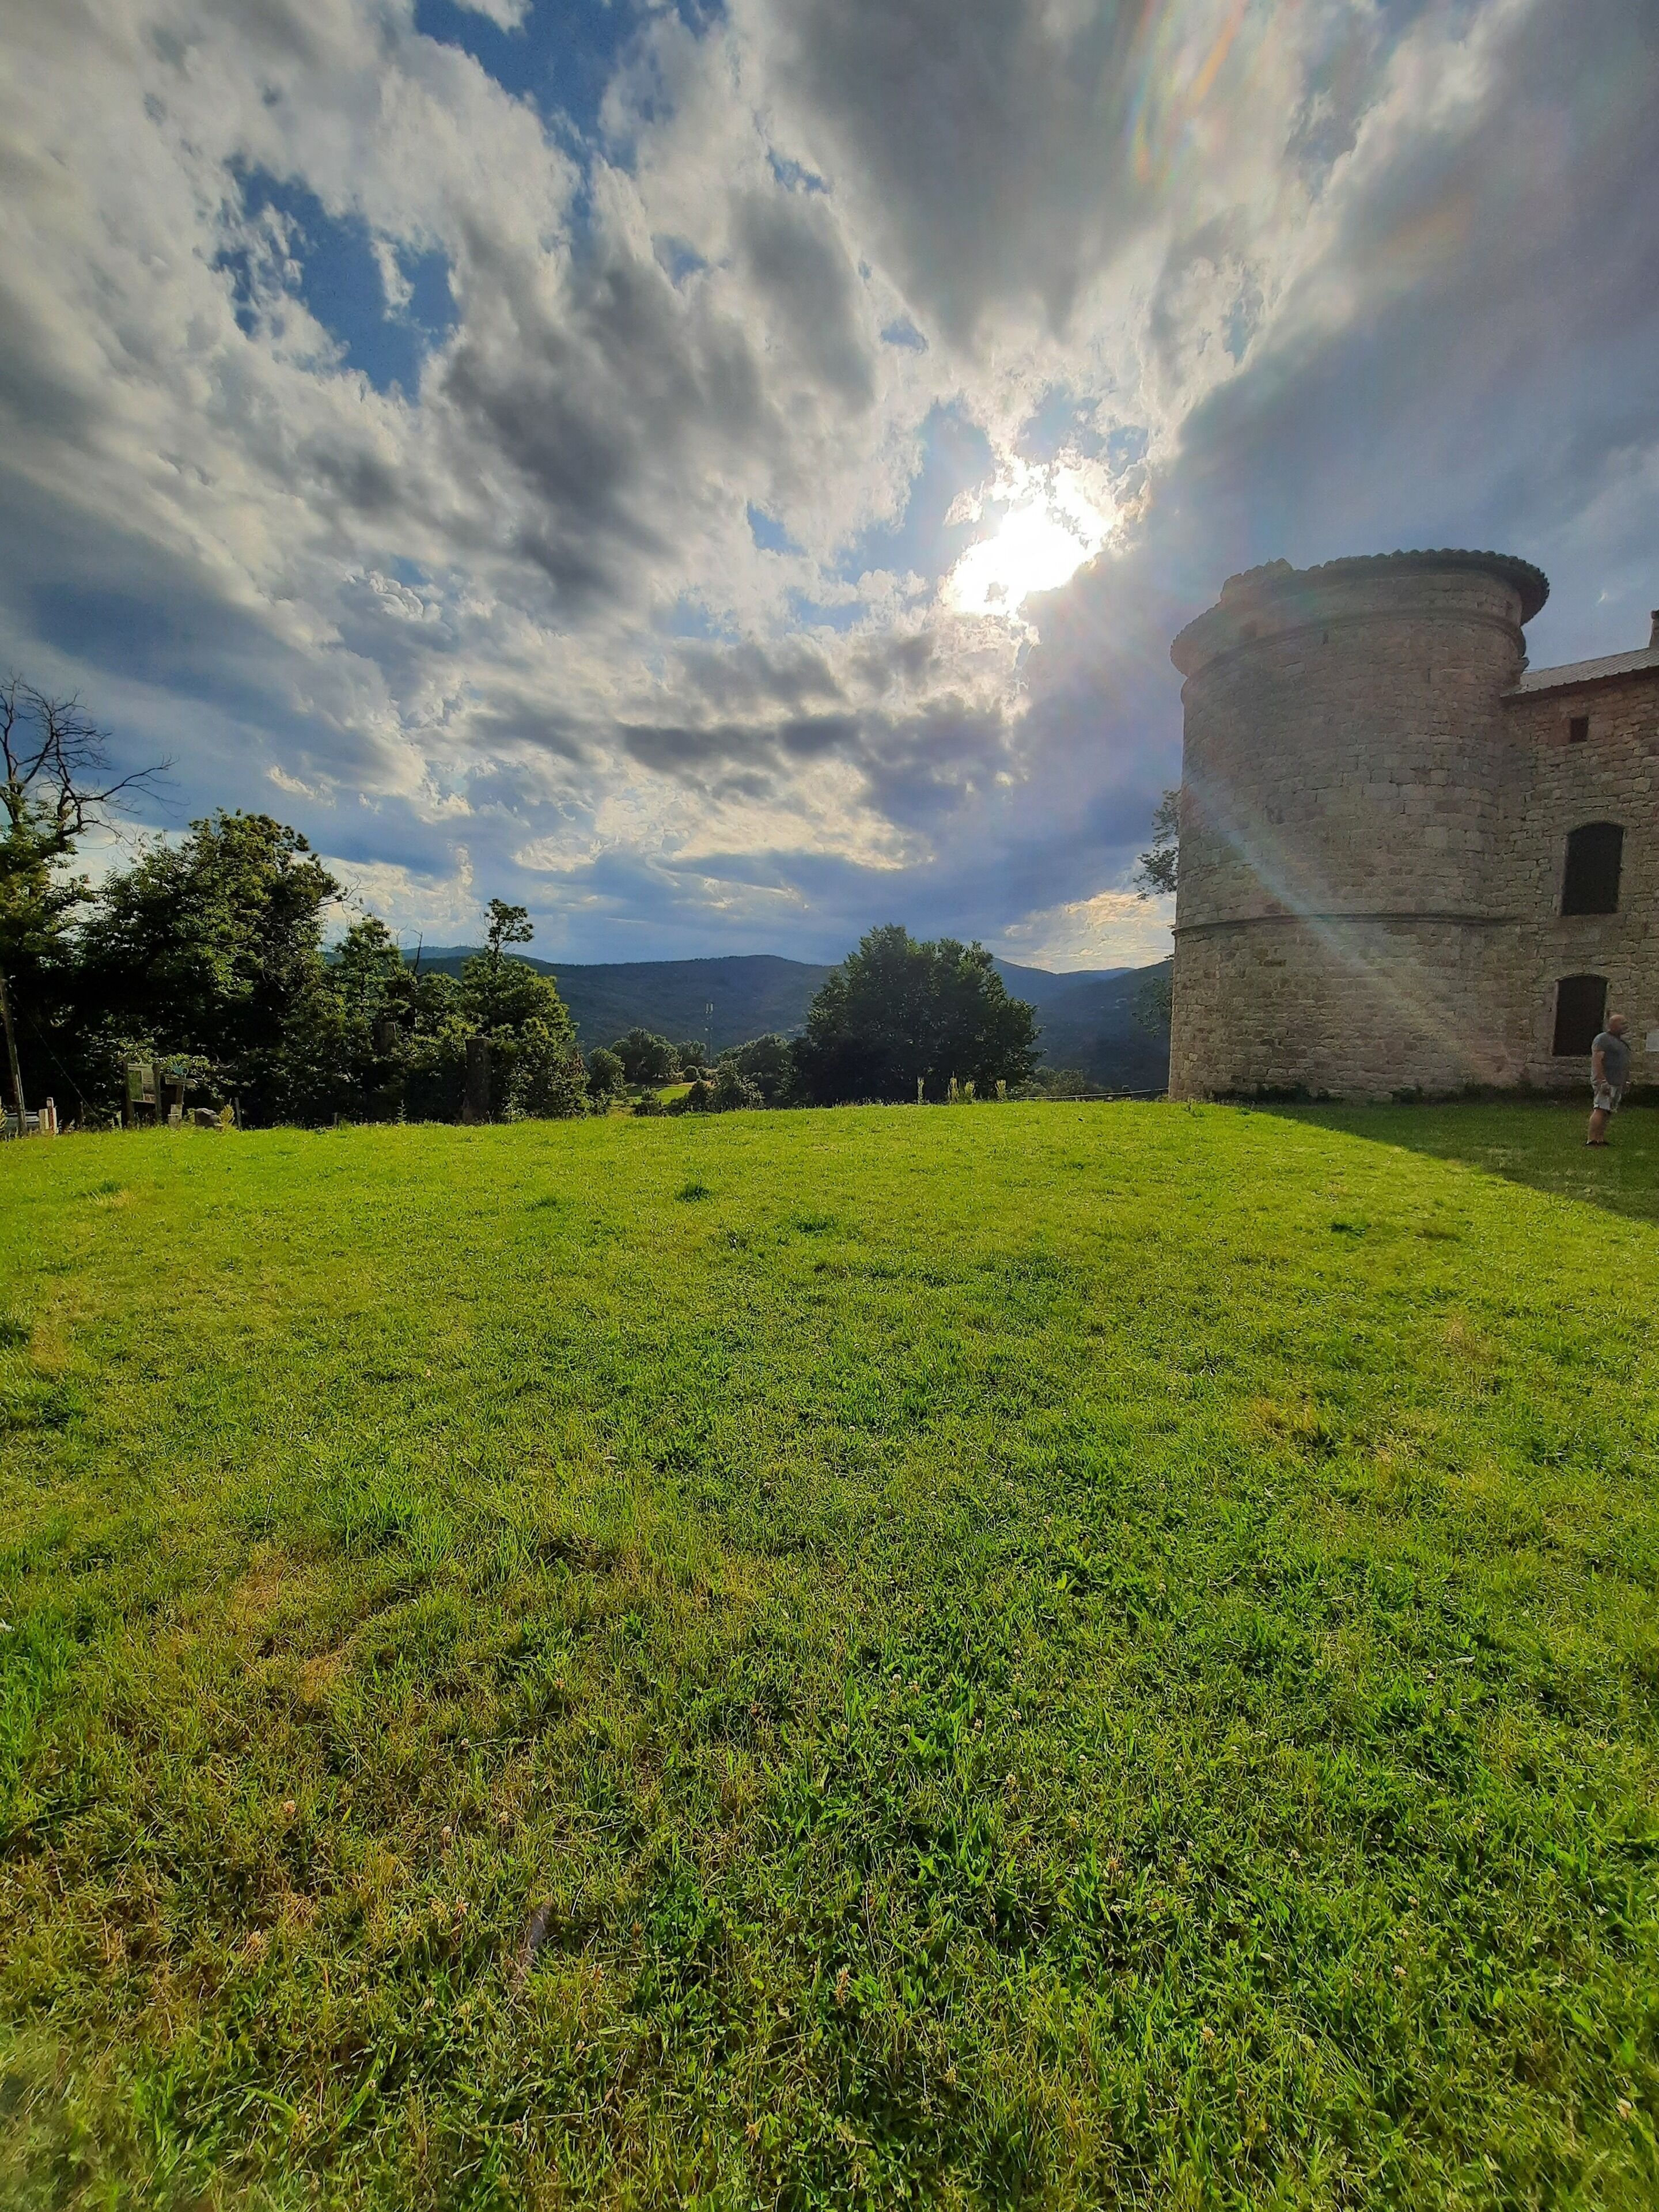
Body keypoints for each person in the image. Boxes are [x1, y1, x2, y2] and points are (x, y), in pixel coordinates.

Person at [1586, 1012, 1630, 1147]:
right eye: (1622, 1023)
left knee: (1608, 1111)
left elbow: (1624, 1064)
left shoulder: (1621, 1043)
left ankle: (1600, 1138)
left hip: (1617, 1082)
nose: (1625, 1026)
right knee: (1600, 1108)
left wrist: (1626, 1081)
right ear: (1613, 1025)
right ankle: (1592, 1140)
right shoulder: (1603, 1039)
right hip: (1606, 1081)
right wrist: (1602, 1080)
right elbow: (1597, 1060)